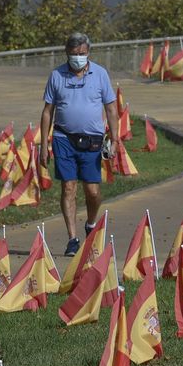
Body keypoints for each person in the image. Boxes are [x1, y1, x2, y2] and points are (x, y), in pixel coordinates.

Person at [40, 33, 117, 256]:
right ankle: (72, 239)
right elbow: (47, 112)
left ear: (88, 53)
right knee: (69, 187)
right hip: (64, 138)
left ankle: (91, 224)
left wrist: (114, 138)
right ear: (67, 54)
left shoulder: (100, 74)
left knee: (92, 191)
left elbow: (111, 108)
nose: (78, 58)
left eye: (82, 54)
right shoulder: (57, 76)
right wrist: (44, 146)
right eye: (74, 55)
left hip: (92, 140)